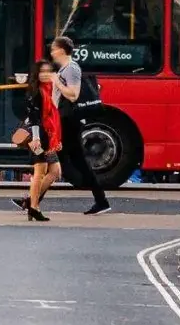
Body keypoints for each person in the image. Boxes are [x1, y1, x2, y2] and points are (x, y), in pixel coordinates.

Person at [51, 34, 113, 215]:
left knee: (54, 162)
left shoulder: (71, 68)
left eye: (54, 49)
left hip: (69, 121)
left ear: (61, 50)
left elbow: (73, 95)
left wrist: (57, 82)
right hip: (65, 120)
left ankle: (31, 201)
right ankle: (101, 201)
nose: (52, 52)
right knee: (71, 161)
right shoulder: (65, 68)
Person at [11, 60, 64, 221]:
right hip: (38, 138)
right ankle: (34, 207)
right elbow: (34, 117)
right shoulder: (36, 92)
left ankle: (30, 203)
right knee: (40, 171)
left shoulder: (51, 90)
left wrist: (57, 138)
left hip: (48, 136)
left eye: (49, 71)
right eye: (42, 72)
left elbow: (53, 118)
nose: (46, 74)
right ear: (37, 74)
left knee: (55, 171)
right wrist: (35, 139)